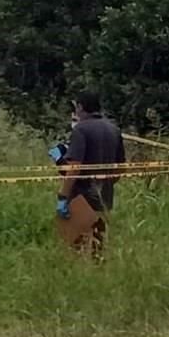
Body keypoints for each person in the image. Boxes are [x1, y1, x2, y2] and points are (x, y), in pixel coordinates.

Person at [55, 91, 125, 257]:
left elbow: (74, 167)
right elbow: (121, 167)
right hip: (104, 196)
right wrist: (107, 183)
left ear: (80, 107)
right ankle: (99, 274)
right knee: (98, 245)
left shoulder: (81, 130)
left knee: (74, 244)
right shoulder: (114, 129)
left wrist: (63, 196)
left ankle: (76, 277)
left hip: (81, 195)